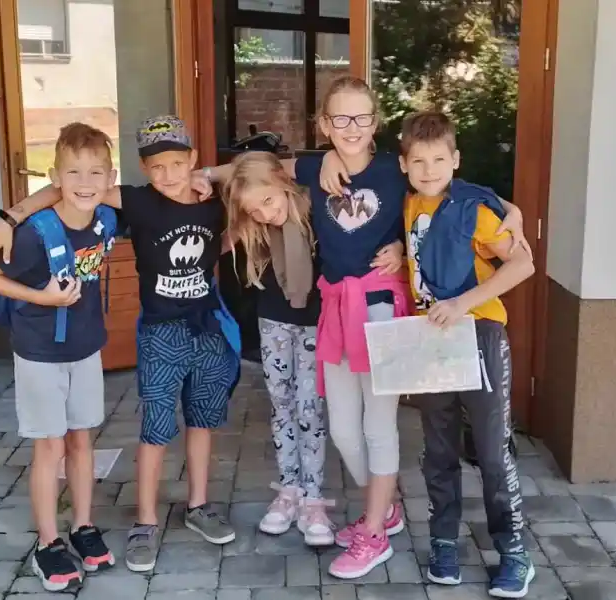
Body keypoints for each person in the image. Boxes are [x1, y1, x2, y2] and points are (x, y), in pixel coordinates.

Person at [205, 76, 529, 580]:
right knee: (342, 429)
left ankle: (375, 530)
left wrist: (513, 211)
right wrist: (204, 174)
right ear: (324, 124)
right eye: (340, 118)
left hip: (384, 308)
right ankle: (388, 506)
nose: (351, 127)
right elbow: (257, 170)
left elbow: (455, 195)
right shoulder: (314, 167)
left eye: (361, 117)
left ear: (375, 122)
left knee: (381, 427)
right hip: (335, 308)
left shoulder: (395, 170)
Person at [0, 116, 240, 573]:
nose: (168, 174)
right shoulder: (122, 206)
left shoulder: (186, 206)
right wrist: (10, 216)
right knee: (72, 444)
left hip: (117, 341)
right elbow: (68, 190)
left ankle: (97, 524)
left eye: (178, 163)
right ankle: (74, 537)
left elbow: (254, 171)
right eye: (156, 166)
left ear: (192, 160)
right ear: (142, 169)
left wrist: (209, 178)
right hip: (84, 344)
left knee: (99, 438)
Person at [0, 122, 117, 592]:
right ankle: (48, 542)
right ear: (55, 176)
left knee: (81, 440)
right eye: (73, 172)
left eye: (95, 172)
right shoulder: (35, 233)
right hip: (39, 353)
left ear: (110, 177)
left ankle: (83, 526)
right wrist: (43, 298)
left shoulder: (107, 217)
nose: (85, 182)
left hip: (85, 347)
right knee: (49, 447)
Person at [398, 110, 537, 598]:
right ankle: (444, 542)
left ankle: (514, 551)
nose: (429, 169)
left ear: (455, 160)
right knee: (439, 449)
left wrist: (462, 303)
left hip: (478, 335)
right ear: (404, 164)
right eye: (419, 161)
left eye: (439, 159)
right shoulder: (408, 203)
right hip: (432, 340)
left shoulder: (474, 209)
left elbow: (522, 263)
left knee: (492, 449)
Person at [221, 151, 335, 546]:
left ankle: (313, 498)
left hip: (315, 320)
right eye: (255, 210)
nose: (266, 214)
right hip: (272, 319)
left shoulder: (318, 209)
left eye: (268, 201)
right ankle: (289, 489)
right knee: (281, 404)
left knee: (309, 407)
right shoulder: (254, 226)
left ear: (283, 182)